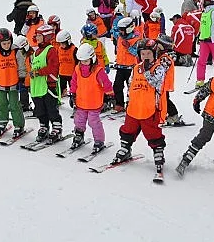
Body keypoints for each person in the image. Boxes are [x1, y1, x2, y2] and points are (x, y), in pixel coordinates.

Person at [111, 40, 173, 177]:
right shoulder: (136, 67)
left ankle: (158, 151)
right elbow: (131, 84)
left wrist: (146, 71)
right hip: (134, 108)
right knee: (128, 129)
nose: (145, 56)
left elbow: (155, 83)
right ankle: (125, 148)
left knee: (152, 132)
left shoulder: (159, 68)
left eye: (148, 53)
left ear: (154, 54)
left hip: (149, 108)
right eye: (143, 53)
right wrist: (128, 100)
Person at [68, 43, 114, 151]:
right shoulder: (77, 69)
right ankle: (79, 135)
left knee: (94, 122)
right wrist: (72, 94)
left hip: (94, 103)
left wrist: (110, 95)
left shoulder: (98, 71)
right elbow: (74, 82)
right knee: (78, 121)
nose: (83, 64)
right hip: (81, 102)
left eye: (86, 61)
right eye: (81, 61)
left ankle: (99, 140)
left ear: (92, 58)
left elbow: (106, 83)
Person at [0, 28, 27, 138]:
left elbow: (21, 66)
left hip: (13, 84)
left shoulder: (16, 52)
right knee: (2, 105)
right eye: (4, 44)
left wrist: (22, 79)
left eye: (9, 43)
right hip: (0, 84)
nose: (7, 45)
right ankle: (2, 123)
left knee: (15, 105)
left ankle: (19, 125)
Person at [29, 24, 62, 141]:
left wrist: (38, 72)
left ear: (46, 37)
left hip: (48, 86)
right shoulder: (36, 52)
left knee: (51, 108)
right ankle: (43, 125)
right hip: (37, 87)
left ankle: (57, 127)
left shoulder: (51, 50)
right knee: (40, 109)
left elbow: (53, 68)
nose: (36, 38)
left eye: (39, 36)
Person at [111, 17, 139, 113]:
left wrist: (129, 47)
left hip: (131, 68)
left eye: (122, 30)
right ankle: (119, 104)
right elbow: (112, 32)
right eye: (120, 30)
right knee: (117, 86)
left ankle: (132, 104)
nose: (121, 32)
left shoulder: (136, 39)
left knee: (131, 88)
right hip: (120, 66)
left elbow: (137, 53)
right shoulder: (119, 36)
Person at [56, 30, 77, 96]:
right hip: (62, 74)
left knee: (73, 88)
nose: (61, 45)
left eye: (63, 43)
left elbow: (77, 62)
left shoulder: (74, 49)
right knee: (61, 88)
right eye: (60, 43)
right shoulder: (59, 49)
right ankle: (63, 93)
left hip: (72, 74)